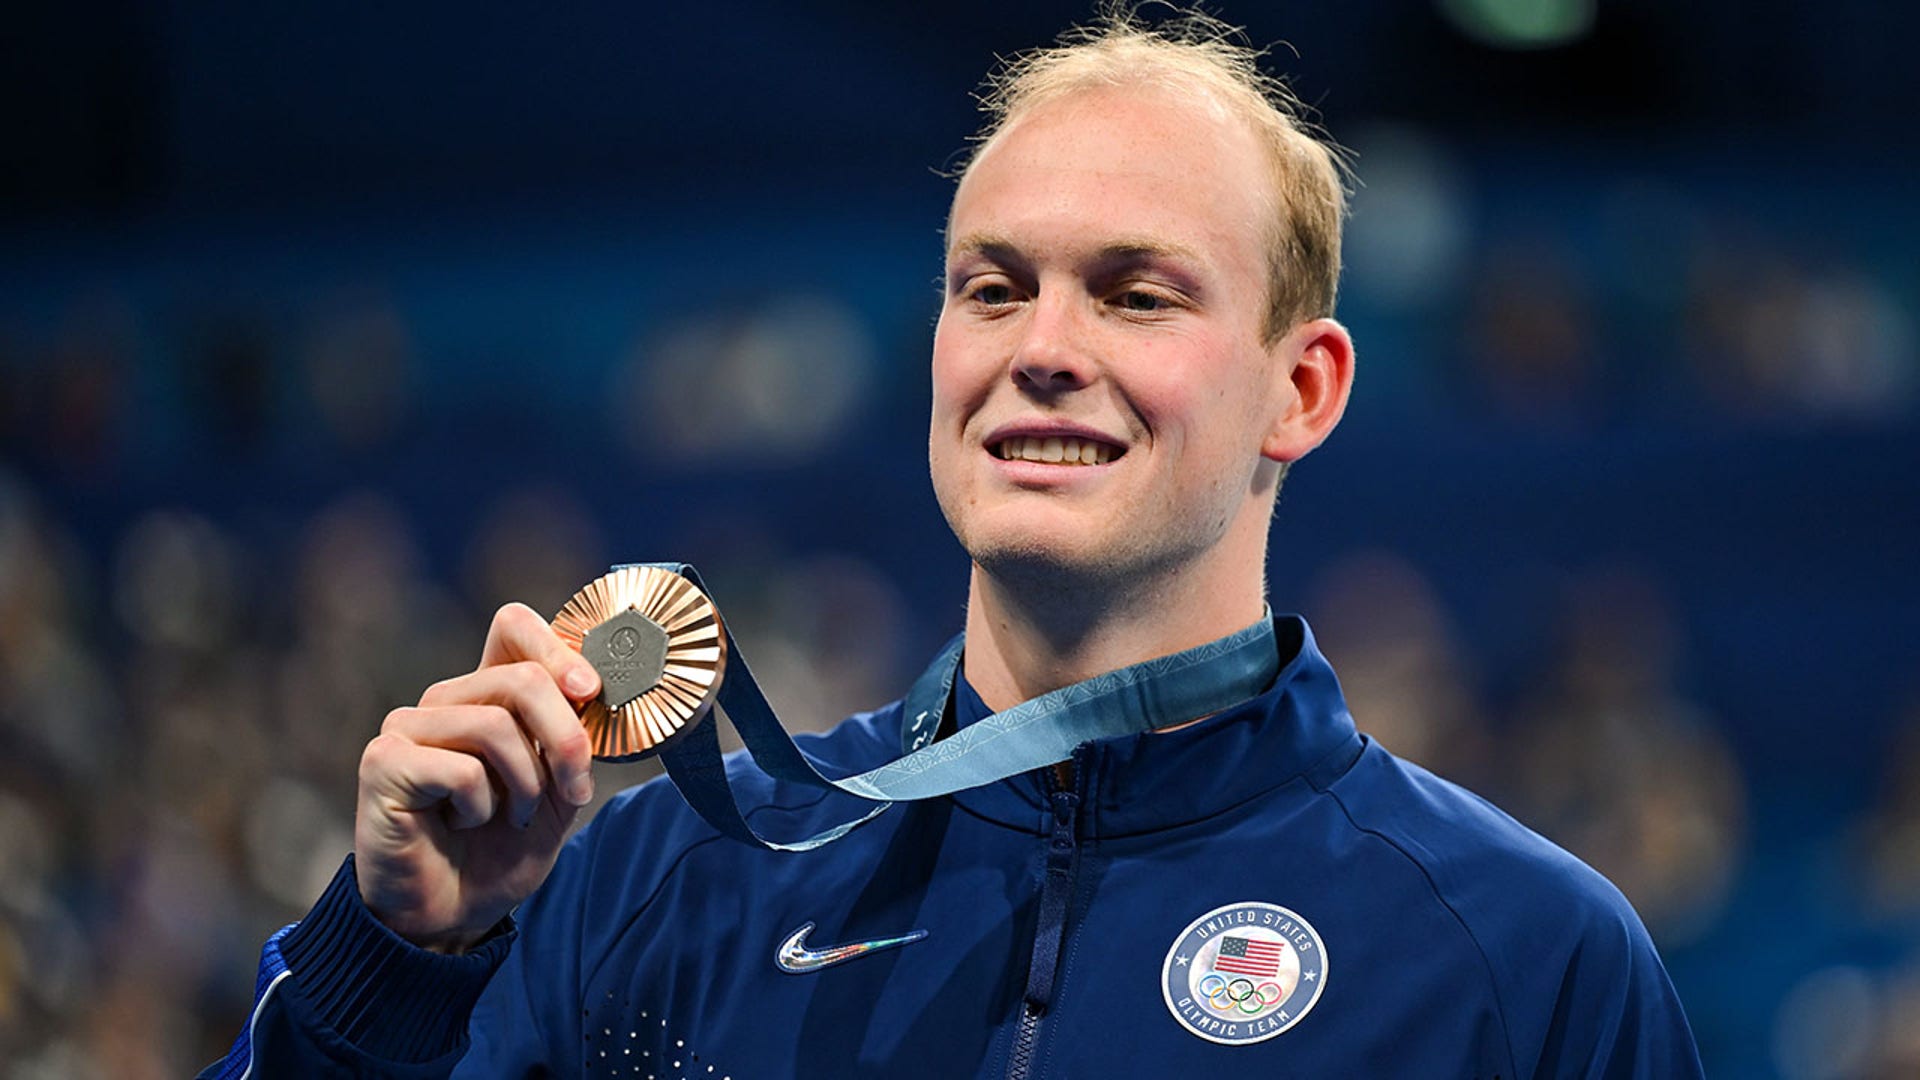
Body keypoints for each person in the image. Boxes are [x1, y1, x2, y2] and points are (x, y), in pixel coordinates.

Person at [203, 7, 1704, 1077]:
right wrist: (396, 969)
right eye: (992, 287)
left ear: (1298, 390)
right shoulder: (661, 884)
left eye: (1134, 293)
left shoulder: (1521, 960)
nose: (1040, 349)